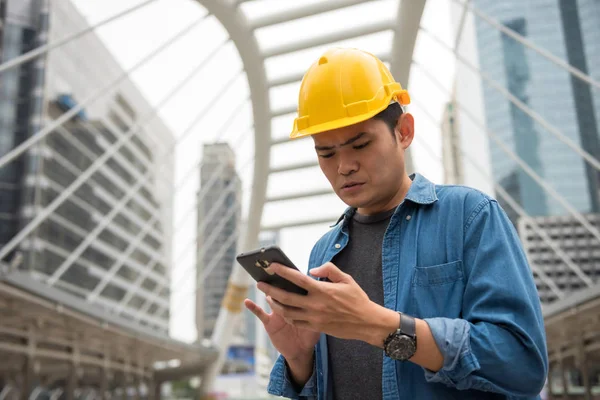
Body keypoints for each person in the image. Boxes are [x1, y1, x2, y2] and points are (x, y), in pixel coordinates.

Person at [244, 48, 548, 399]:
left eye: (360, 144)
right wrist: (300, 360)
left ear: (403, 132)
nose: (343, 166)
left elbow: (522, 363)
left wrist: (380, 325)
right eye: (325, 153)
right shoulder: (323, 252)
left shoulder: (470, 216)